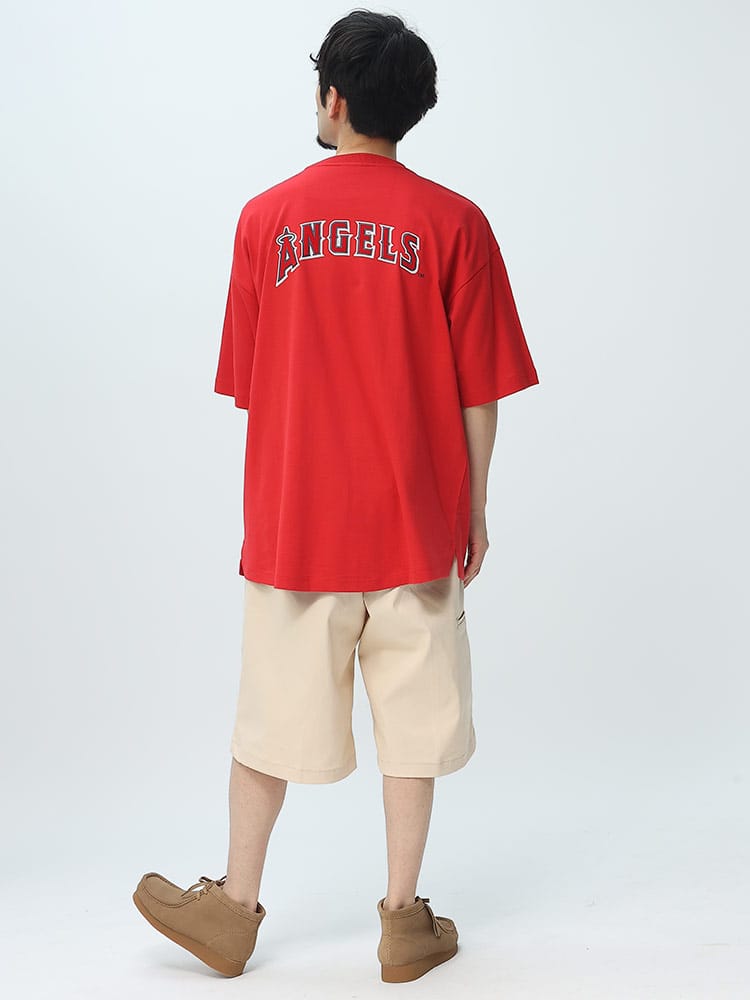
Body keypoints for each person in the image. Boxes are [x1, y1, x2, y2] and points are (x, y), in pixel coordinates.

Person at [132, 7, 539, 984]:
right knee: (415, 724)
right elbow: (479, 394)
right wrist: (475, 509)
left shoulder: (264, 220)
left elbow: (251, 384)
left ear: (334, 98)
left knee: (269, 720)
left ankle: (233, 908)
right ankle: (403, 921)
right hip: (418, 526)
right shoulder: (458, 224)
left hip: (296, 527)